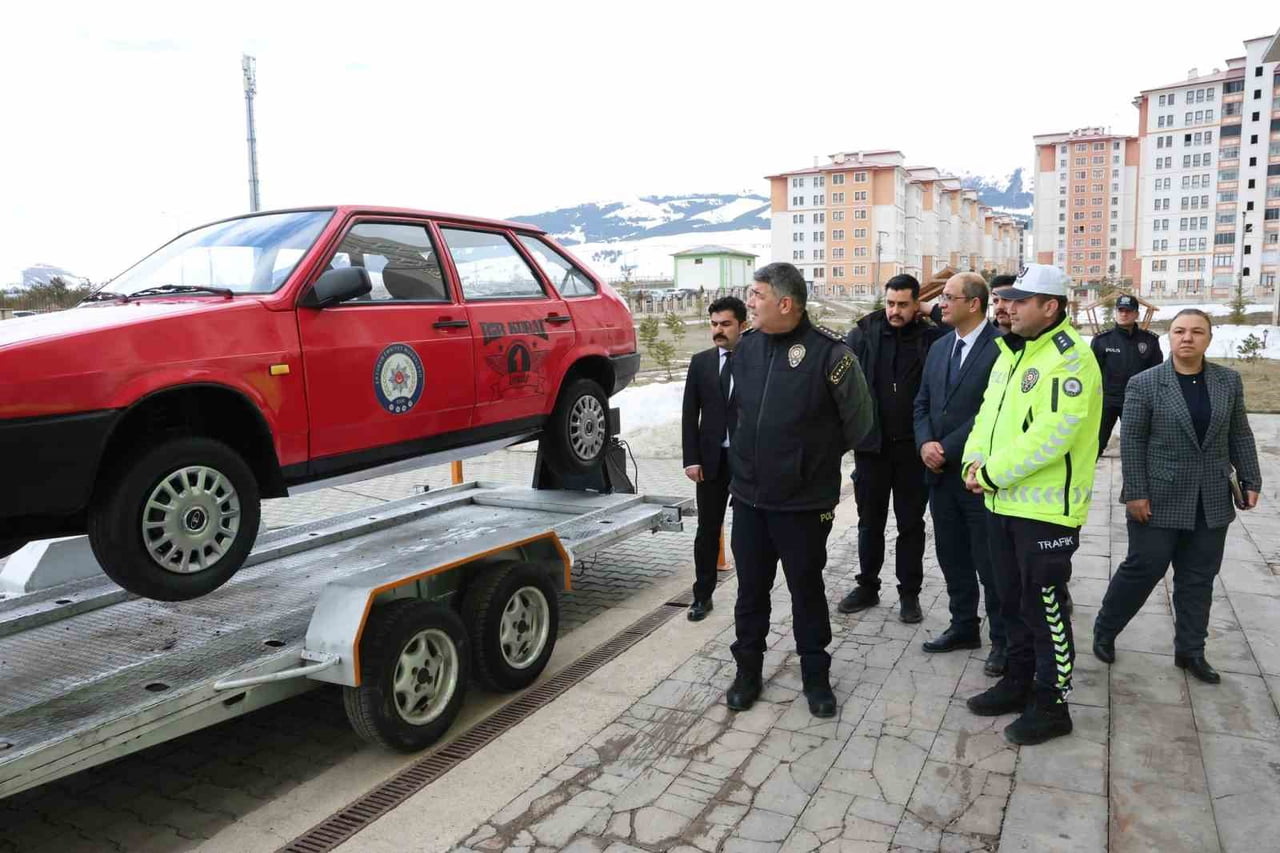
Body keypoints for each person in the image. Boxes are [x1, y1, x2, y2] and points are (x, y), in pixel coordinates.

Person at [961, 264, 1102, 745]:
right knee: (1009, 600)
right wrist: (972, 461)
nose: (1008, 307)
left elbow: (1054, 434)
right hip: (1002, 504)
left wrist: (992, 474)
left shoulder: (1072, 358)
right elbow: (987, 416)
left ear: (1051, 306)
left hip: (1045, 511)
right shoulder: (1012, 353)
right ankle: (1018, 682)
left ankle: (1052, 702)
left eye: (1021, 301)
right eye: (1008, 299)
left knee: (1046, 609)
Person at [725, 262, 873, 717]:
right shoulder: (746, 349)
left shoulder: (832, 355)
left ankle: (816, 677)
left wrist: (809, 463)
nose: (749, 302)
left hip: (803, 504)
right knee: (751, 591)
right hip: (750, 499)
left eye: (757, 295)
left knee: (806, 591)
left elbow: (860, 424)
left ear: (785, 303)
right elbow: (739, 415)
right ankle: (747, 672)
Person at [1093, 309, 1261, 684]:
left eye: (1197, 332)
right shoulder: (1145, 383)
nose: (1188, 338)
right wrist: (1135, 492)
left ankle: (1191, 651)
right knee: (1144, 568)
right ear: (1169, 337)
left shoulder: (1227, 381)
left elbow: (1240, 434)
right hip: (1158, 495)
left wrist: (1251, 479)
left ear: (1209, 338)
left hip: (1211, 498)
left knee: (1198, 577)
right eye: (1180, 331)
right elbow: (1133, 441)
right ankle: (1106, 628)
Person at [913, 273, 1007, 674]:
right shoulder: (939, 348)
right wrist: (924, 443)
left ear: (974, 303)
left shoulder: (1002, 349)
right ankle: (963, 624)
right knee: (951, 556)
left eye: (949, 298)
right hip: (938, 476)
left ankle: (1002, 640)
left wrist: (945, 448)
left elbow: (992, 412)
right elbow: (922, 403)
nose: (941, 304)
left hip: (976, 477)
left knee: (990, 562)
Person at [838, 274, 946, 623]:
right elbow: (839, 383)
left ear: (917, 304)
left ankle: (909, 594)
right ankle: (867, 586)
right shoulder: (864, 334)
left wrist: (933, 310)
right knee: (870, 522)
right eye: (890, 303)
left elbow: (968, 331)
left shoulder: (931, 338)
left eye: (903, 304)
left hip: (913, 452)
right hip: (872, 448)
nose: (895, 311)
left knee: (910, 525)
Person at [681, 296, 749, 621]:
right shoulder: (701, 362)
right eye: (714, 324)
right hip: (710, 463)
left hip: (748, 463)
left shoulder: (757, 361)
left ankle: (748, 597)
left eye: (725, 324)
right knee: (707, 530)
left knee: (748, 533)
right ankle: (702, 596)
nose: (718, 330)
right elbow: (689, 414)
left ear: (742, 325)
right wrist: (691, 459)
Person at [1091, 294, 1163, 456]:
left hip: (1136, 402)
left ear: (1136, 314)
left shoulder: (1149, 341)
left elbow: (1157, 374)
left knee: (1136, 447)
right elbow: (1091, 374)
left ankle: (1133, 481)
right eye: (1120, 310)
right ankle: (1082, 480)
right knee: (1095, 444)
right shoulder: (1102, 341)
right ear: (1115, 313)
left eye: (1128, 311)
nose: (1124, 314)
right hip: (1107, 401)